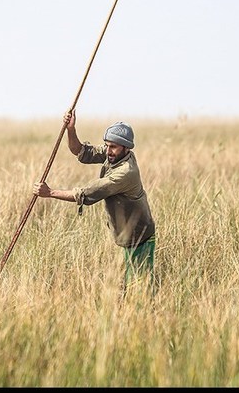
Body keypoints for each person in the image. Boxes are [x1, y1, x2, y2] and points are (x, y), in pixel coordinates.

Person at [33, 110, 156, 293]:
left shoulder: (125, 173)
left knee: (139, 291)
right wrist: (70, 128)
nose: (108, 151)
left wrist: (50, 192)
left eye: (113, 147)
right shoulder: (114, 154)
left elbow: (86, 193)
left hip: (140, 237)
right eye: (107, 145)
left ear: (126, 148)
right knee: (128, 286)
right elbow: (80, 151)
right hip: (127, 236)